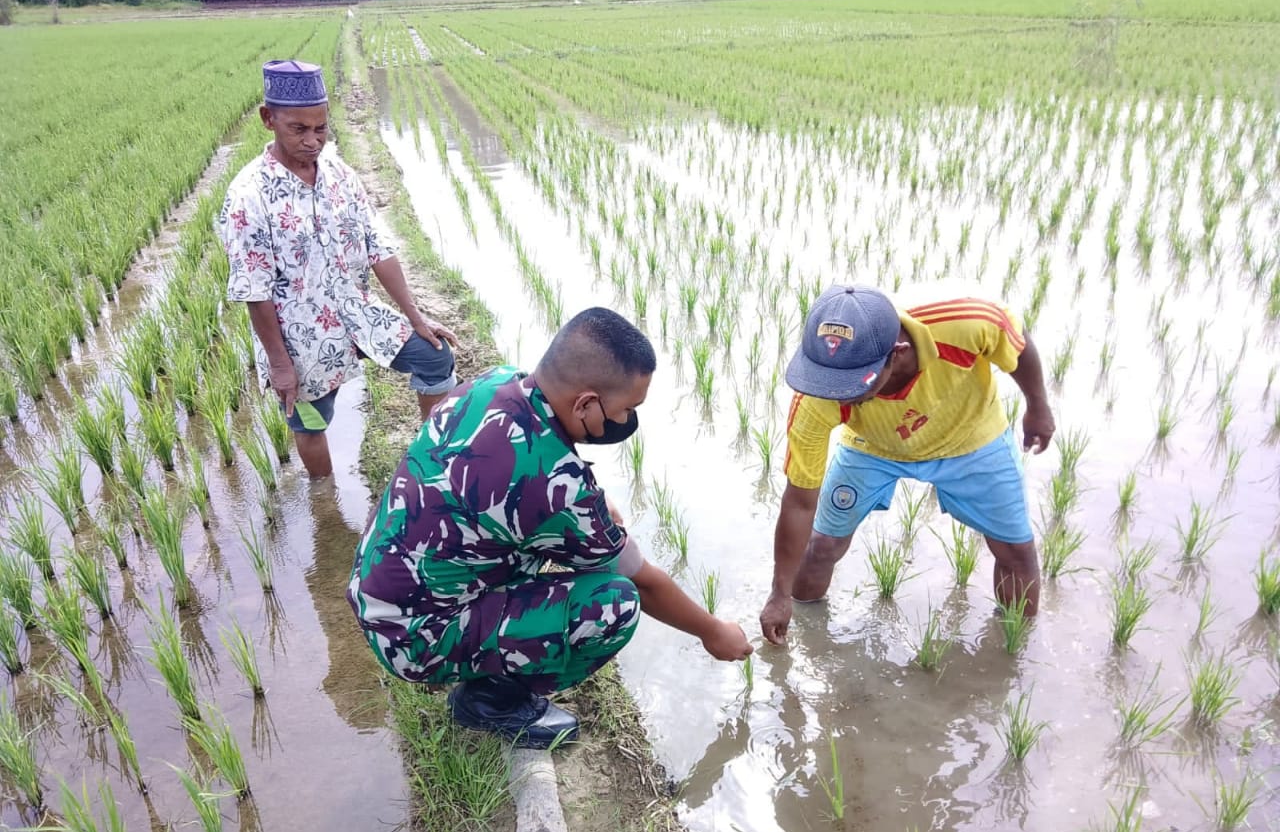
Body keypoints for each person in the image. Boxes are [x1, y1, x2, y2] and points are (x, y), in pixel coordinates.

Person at [348, 307, 753, 748]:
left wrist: (591, 499)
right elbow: (644, 581)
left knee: (547, 549)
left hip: (379, 592)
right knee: (612, 606)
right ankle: (491, 701)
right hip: (411, 639)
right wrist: (713, 632)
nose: (626, 421)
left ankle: (469, 654)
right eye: (625, 409)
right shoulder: (560, 489)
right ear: (585, 403)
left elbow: (536, 474)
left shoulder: (495, 383)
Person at [760, 282, 1055, 645]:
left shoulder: (965, 321)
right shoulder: (818, 395)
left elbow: (1017, 342)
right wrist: (779, 594)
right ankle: (807, 633)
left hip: (971, 437)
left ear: (897, 353)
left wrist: (1038, 406)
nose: (837, 393)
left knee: (1016, 552)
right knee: (821, 546)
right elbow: (799, 502)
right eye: (830, 381)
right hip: (872, 447)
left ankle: (1014, 653)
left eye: (853, 385)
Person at [217, 59, 458, 479]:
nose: (313, 141)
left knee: (435, 357)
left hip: (356, 312)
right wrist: (279, 363)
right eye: (299, 129)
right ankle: (324, 499)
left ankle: (431, 464)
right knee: (309, 419)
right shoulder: (248, 196)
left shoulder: (339, 174)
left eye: (321, 128)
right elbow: (255, 291)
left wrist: (416, 318)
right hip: (298, 332)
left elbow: (377, 247)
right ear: (268, 119)